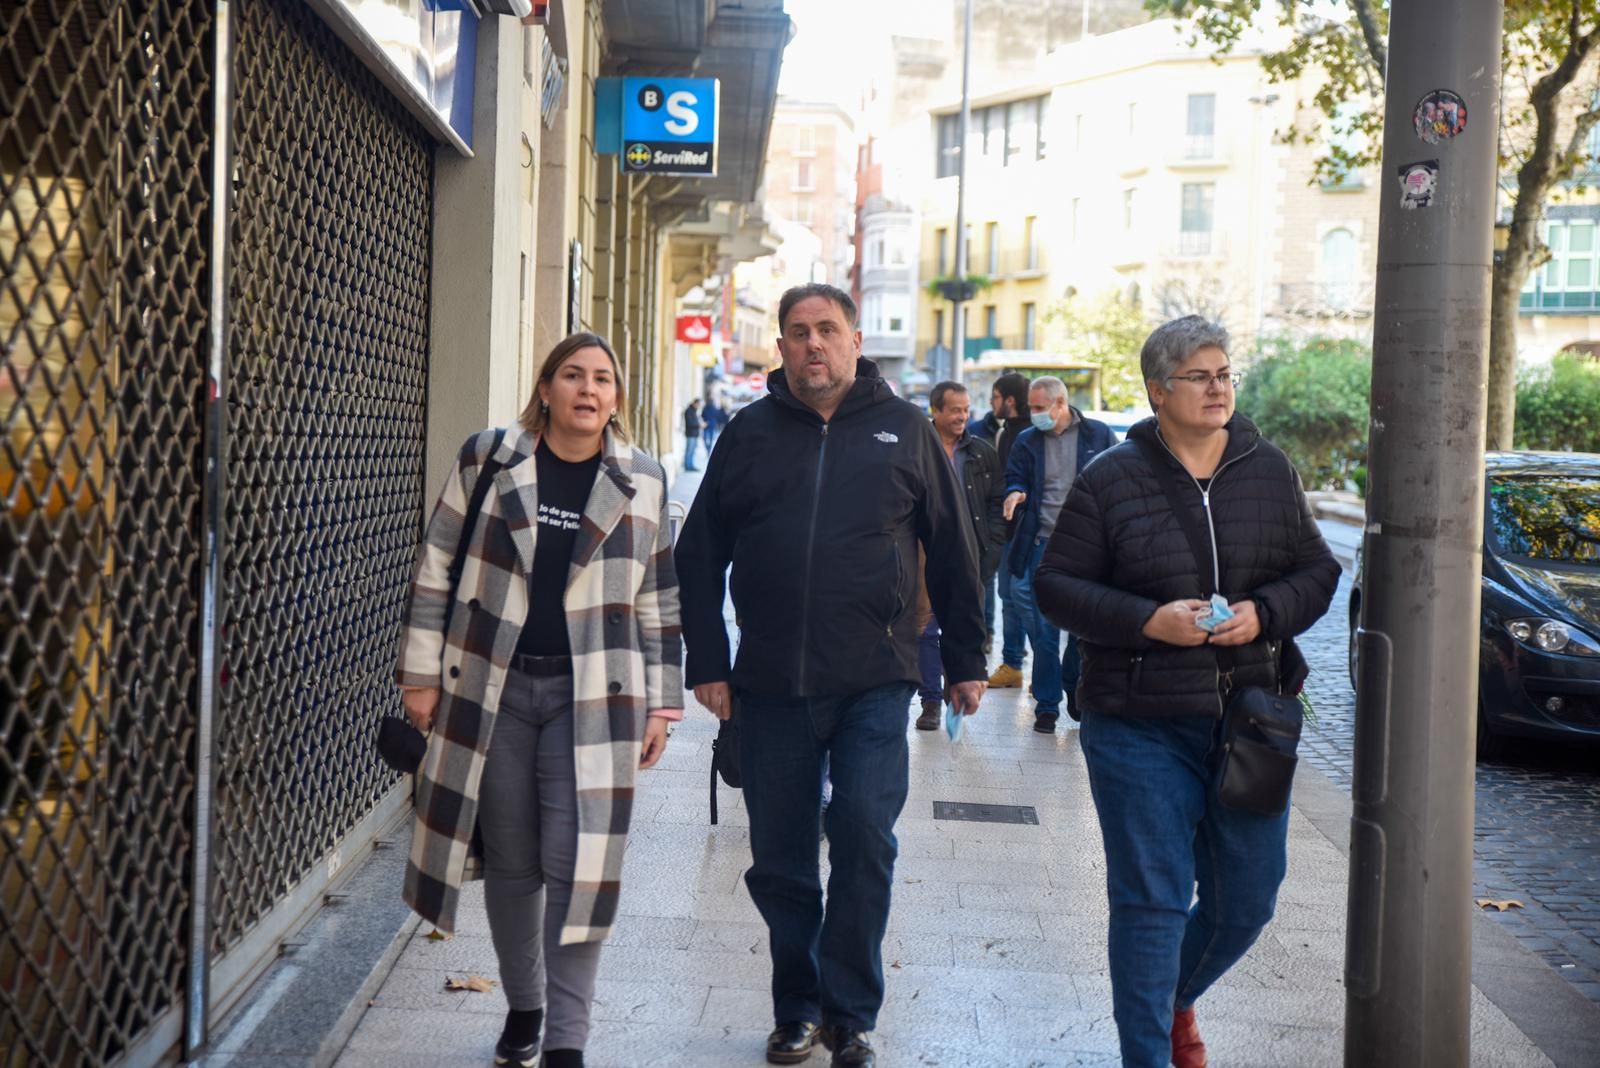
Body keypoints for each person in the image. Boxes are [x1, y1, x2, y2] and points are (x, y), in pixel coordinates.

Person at [675, 283, 987, 1068]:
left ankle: (851, 1015)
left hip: (875, 678)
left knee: (862, 837)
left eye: (827, 330)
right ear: (780, 347)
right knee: (780, 856)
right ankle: (797, 1008)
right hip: (770, 681)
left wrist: (965, 663)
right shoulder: (749, 433)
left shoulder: (905, 430)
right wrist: (710, 663)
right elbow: (699, 552)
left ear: (854, 342)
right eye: (797, 332)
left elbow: (953, 550)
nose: (813, 344)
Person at [1034, 315, 1339, 1068]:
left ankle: (1170, 998)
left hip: (1249, 724)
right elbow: (1055, 587)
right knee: (1151, 901)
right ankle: (1147, 1054)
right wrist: (1148, 622)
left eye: (1225, 373)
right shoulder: (1110, 478)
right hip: (1138, 722)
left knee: (1249, 899)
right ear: (1158, 390)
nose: (1218, 387)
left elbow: (1319, 572)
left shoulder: (1270, 470)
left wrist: (1265, 613)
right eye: (1201, 375)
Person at [396, 333, 683, 1068]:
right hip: (492, 690)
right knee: (515, 862)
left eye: (603, 380)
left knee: (580, 864)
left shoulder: (643, 479)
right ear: (547, 387)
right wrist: (420, 677)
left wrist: (663, 703)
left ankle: (566, 1043)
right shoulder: (490, 459)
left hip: (596, 697)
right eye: (573, 376)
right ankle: (525, 1010)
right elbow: (435, 568)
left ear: (617, 399)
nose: (588, 391)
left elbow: (658, 598)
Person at [1002, 377, 1116, 732]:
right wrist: (1016, 493)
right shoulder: (1027, 440)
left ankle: (1073, 685)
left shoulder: (1098, 436)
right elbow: (1015, 477)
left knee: (1081, 630)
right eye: (1031, 407)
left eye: (1038, 408)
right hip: (1042, 544)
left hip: (1087, 547)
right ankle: (1047, 707)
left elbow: (1118, 479)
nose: (1032, 414)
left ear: (1060, 404)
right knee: (1045, 628)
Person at [915, 381, 1006, 730]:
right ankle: (930, 702)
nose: (962, 416)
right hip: (925, 552)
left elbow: (995, 503)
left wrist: (992, 547)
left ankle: (956, 688)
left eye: (966, 409)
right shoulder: (919, 448)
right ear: (935, 411)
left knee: (963, 624)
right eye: (954, 409)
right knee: (926, 629)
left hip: (972, 555)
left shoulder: (981, 452)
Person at [976, 372, 1033, 684]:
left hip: (1027, 530)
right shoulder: (1003, 432)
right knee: (1009, 596)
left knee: (1021, 597)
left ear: (1009, 400)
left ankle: (1029, 659)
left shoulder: (1028, 437)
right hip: (1006, 529)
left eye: (995, 397)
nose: (991, 403)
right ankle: (1012, 661)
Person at [683, 398, 704, 471]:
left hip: (694, 434)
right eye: (698, 404)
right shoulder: (688, 411)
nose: (699, 406)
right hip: (690, 434)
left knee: (692, 451)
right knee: (689, 451)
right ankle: (688, 466)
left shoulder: (694, 411)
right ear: (695, 403)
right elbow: (689, 423)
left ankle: (691, 465)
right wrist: (699, 425)